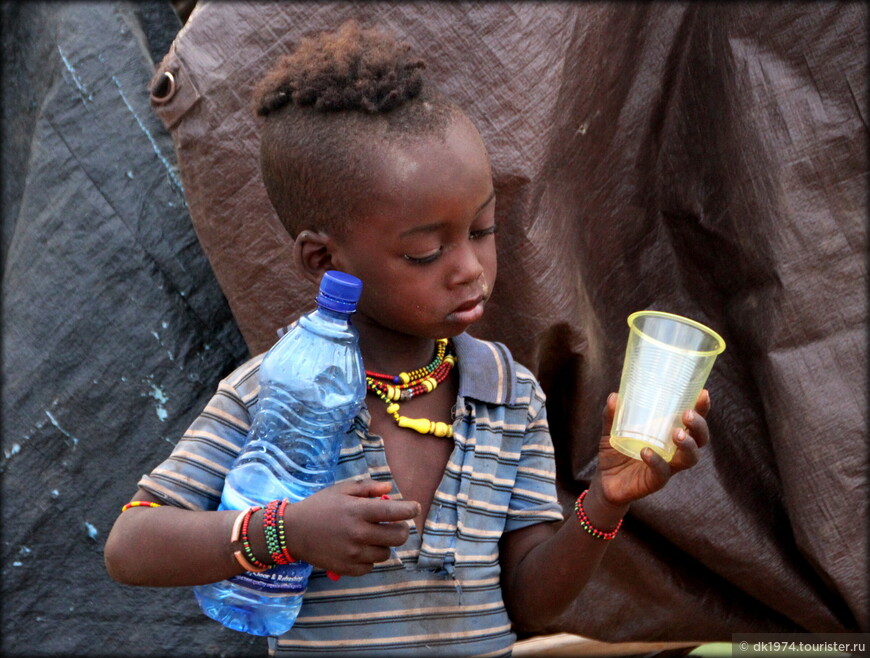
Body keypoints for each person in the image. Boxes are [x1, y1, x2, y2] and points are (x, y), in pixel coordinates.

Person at [104, 20, 710, 657]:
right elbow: (132, 545)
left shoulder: (509, 397)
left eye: (483, 229)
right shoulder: (275, 391)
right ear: (322, 260)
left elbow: (530, 602)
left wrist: (607, 502)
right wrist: (287, 532)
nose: (470, 268)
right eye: (426, 252)